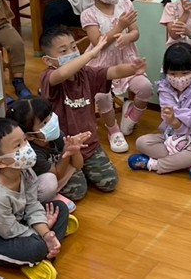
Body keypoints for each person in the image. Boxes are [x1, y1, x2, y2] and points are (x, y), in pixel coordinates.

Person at [0, 117, 78, 279]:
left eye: (25, 140)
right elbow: (8, 231)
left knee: (60, 208)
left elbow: (32, 204)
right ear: (0, 162)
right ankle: (41, 253)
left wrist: (45, 233)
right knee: (36, 248)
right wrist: (41, 231)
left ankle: (46, 246)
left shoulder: (25, 171)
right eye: (18, 145)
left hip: (19, 220)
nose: (27, 147)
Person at [39, 28, 148, 197]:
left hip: (90, 145)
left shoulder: (86, 73)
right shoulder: (49, 77)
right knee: (78, 192)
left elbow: (112, 71)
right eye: (63, 51)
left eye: (74, 47)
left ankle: (84, 169)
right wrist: (91, 54)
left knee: (110, 182)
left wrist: (133, 68)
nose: (72, 53)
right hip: (65, 150)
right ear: (48, 60)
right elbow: (62, 73)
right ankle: (75, 170)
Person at [80, 0, 153, 153]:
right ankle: (113, 130)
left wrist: (128, 36)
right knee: (102, 96)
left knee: (145, 88)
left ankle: (131, 117)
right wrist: (119, 27)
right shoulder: (89, 14)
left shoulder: (125, 5)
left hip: (126, 61)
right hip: (101, 65)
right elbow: (97, 43)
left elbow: (135, 32)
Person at [129, 43, 191, 178]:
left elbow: (190, 129)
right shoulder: (164, 89)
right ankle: (186, 163)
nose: (179, 78)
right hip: (170, 137)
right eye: (173, 74)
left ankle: (153, 164)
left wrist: (177, 121)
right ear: (165, 72)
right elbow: (173, 114)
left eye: (184, 73)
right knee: (141, 142)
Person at [7, 97, 89, 207]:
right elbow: (57, 175)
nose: (51, 122)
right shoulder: (32, 154)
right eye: (45, 122)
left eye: (50, 115)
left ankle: (54, 194)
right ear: (29, 136)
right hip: (41, 182)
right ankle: (43, 201)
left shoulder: (55, 135)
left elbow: (78, 165)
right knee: (51, 182)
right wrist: (66, 152)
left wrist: (75, 150)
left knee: (80, 188)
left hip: (56, 170)